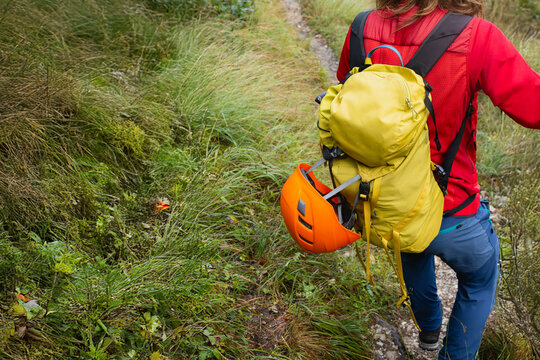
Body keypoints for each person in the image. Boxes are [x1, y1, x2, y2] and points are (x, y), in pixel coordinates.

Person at [336, 0, 540, 359]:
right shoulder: (476, 35)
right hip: (453, 207)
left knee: (412, 248)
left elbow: (348, 95)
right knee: (479, 280)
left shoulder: (361, 26)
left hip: (387, 199)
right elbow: (533, 108)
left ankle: (428, 329)